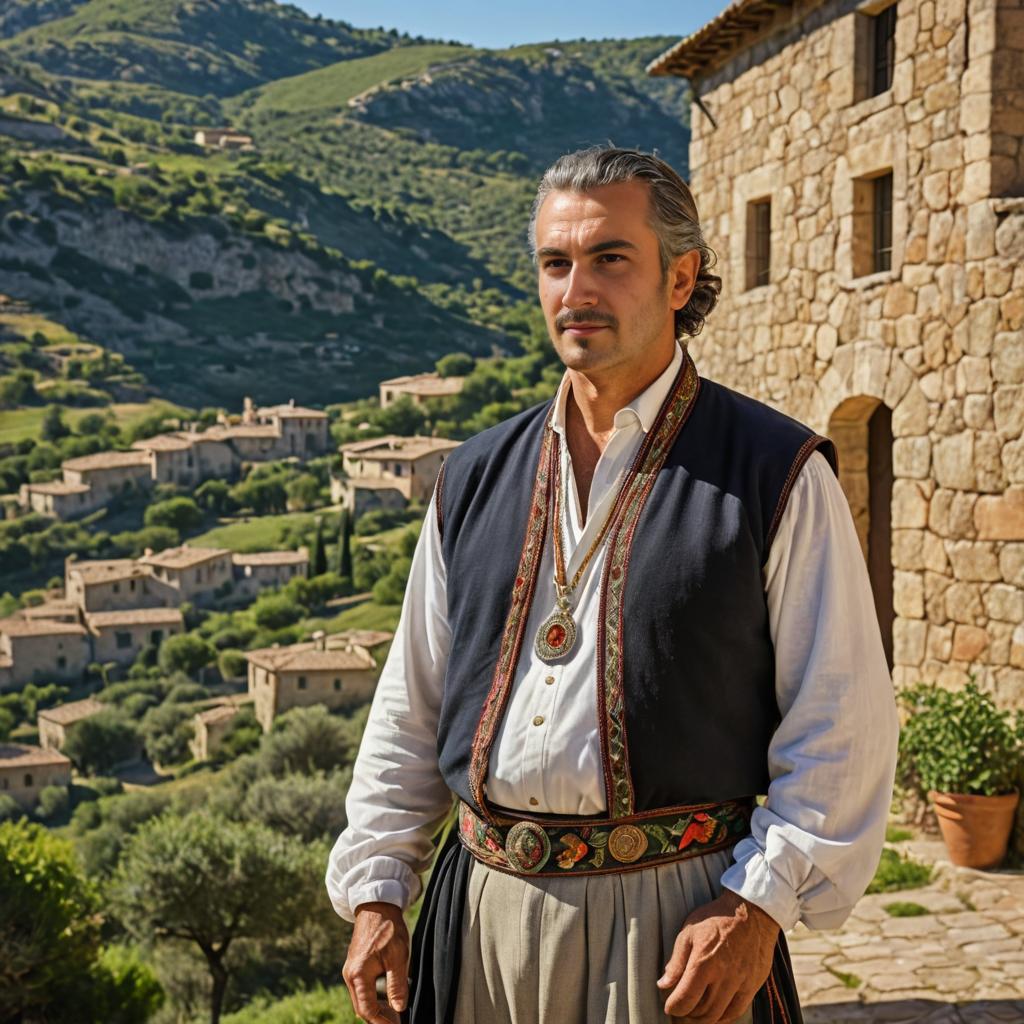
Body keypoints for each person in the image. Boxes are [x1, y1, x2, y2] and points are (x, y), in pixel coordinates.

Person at [326, 146, 899, 1024]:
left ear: (680, 277)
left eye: (609, 259)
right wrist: (377, 889)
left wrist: (755, 907)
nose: (575, 289)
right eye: (555, 263)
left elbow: (841, 719)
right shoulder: (472, 476)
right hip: (480, 916)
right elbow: (411, 707)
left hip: (674, 924)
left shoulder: (773, 472)